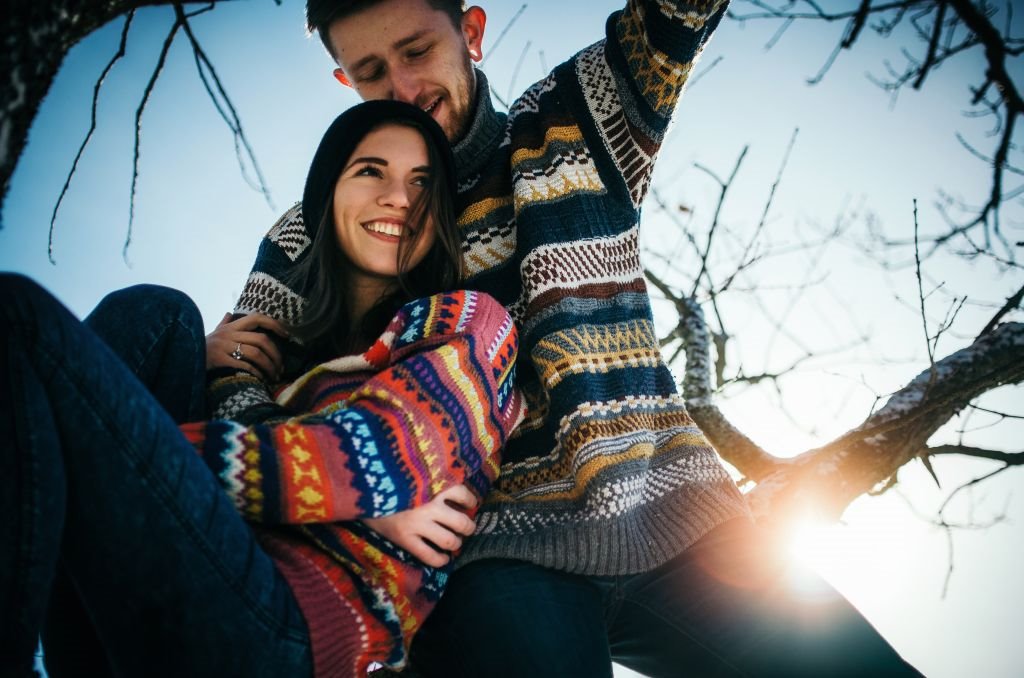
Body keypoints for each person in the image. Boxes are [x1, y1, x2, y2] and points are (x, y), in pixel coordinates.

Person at [202, 1, 925, 676]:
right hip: (483, 554)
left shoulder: (572, 118)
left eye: (417, 51)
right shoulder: (320, 222)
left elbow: (675, 16)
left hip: (680, 520)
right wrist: (355, 493)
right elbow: (237, 376)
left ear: (471, 32)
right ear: (344, 81)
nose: (404, 87)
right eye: (371, 71)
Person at [0, 99, 523, 678]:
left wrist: (109, 443)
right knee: (158, 314)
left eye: (422, 182)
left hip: (296, 627)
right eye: (371, 171)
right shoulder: (279, 368)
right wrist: (192, 363)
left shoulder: (470, 320)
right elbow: (339, 482)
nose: (400, 197)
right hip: (184, 579)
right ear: (326, 196)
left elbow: (369, 461)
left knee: (24, 319)